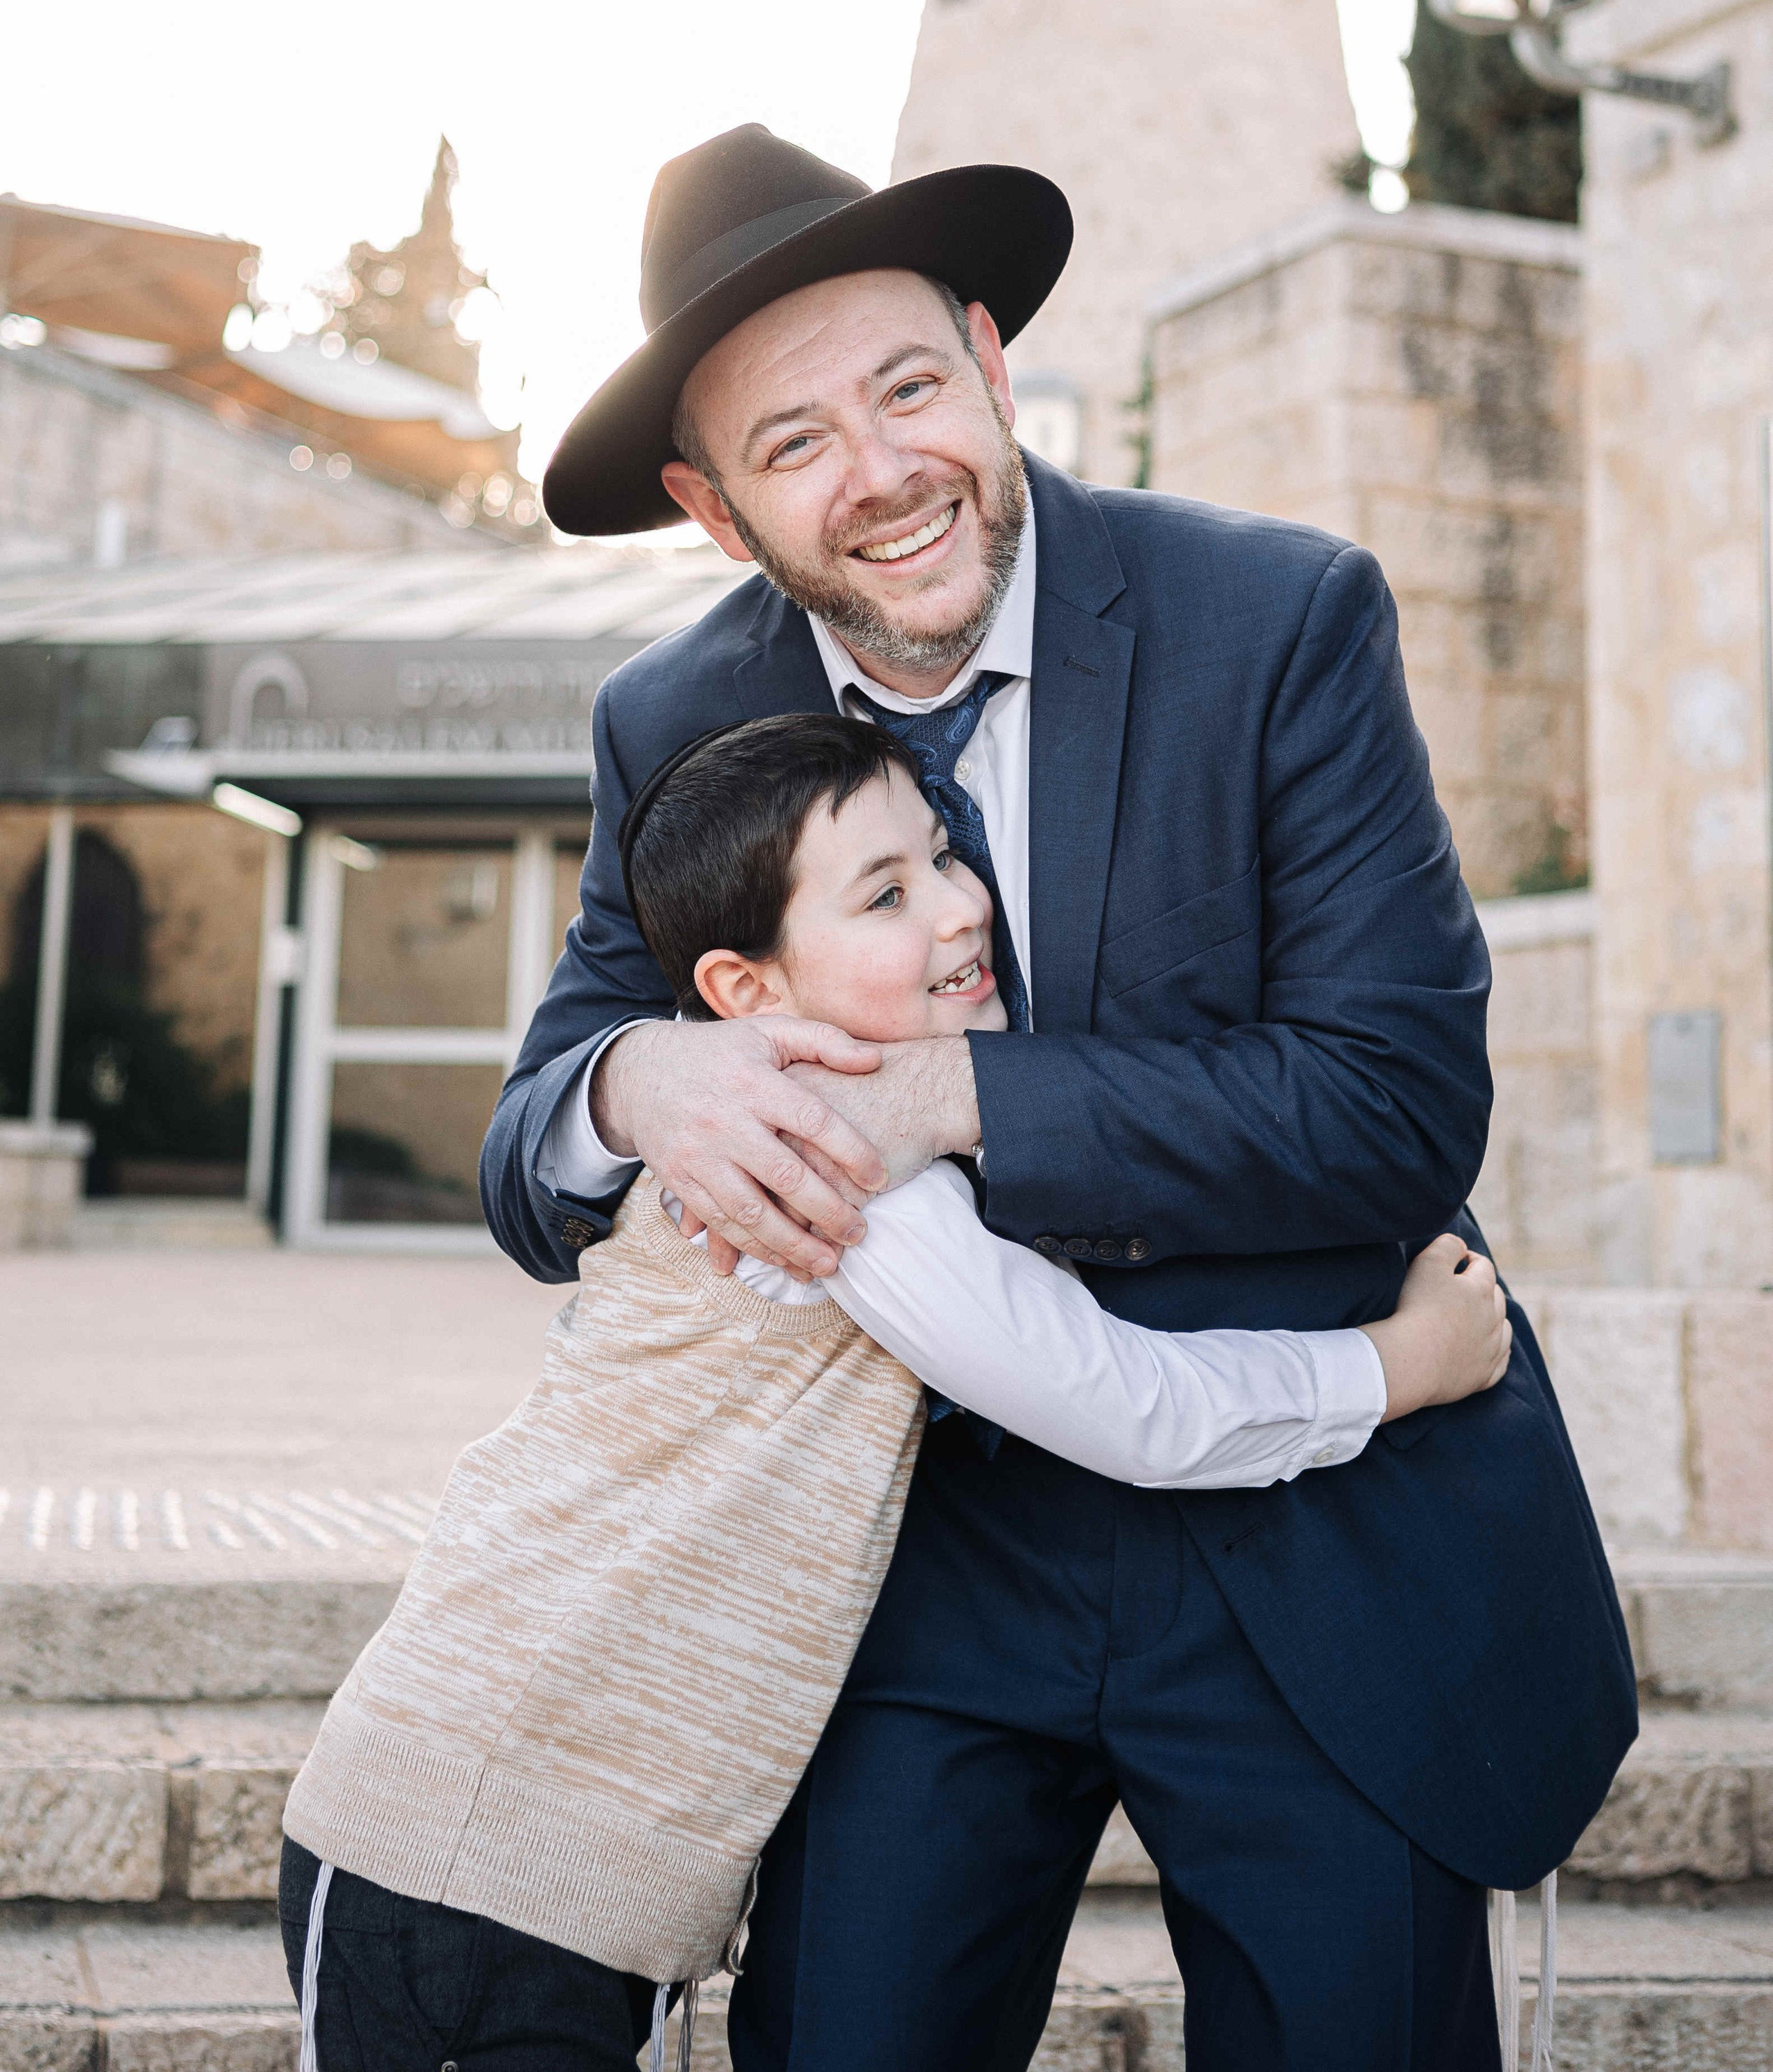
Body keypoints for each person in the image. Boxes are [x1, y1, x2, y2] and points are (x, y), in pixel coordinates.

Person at [483, 125, 1638, 2072]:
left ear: (995, 361)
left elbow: (1395, 1103)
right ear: (708, 504)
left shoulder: (1281, 624)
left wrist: (954, 1094)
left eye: (911, 386)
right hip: (915, 1563)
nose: (884, 472)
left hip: (1321, 1535)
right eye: (794, 444)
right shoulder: (667, 720)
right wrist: (634, 1072)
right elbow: (530, 1158)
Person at [278, 714, 1511, 2072]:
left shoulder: (830, 1131)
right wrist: (1402, 1365)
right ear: (741, 991)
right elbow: (1134, 1405)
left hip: (540, 1866)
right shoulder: (833, 1161)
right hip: (474, 1860)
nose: (957, 904)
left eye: (939, 854)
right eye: (883, 893)